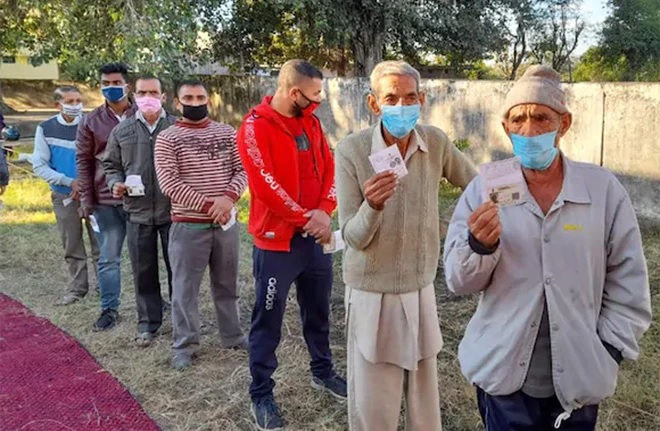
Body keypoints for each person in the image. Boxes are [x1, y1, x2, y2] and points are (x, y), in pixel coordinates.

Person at [443, 65, 652, 431]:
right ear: (506, 127)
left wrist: (609, 349)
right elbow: (458, 281)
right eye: (518, 119)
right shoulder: (488, 186)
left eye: (541, 117)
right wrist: (479, 246)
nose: (529, 130)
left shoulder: (601, 189)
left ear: (564, 123)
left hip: (580, 372)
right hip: (503, 374)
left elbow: (628, 277)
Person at [335, 60, 477, 431]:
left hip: (419, 286)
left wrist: (501, 202)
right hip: (372, 292)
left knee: (423, 403)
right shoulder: (351, 150)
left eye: (410, 97)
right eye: (391, 98)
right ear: (373, 103)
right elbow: (352, 236)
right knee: (373, 406)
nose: (402, 106)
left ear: (422, 100)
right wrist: (372, 205)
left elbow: (475, 184)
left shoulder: (435, 142)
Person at [236, 59, 345, 431]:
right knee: (267, 320)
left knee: (319, 312)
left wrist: (325, 211)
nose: (319, 101)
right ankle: (261, 393)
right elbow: (265, 186)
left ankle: (323, 372)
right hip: (276, 245)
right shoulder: (254, 127)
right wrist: (307, 219)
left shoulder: (311, 122)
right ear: (294, 91)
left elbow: (329, 167)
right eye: (314, 94)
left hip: (315, 240)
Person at [154, 79, 248, 369]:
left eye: (200, 97)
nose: (195, 103)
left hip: (225, 225)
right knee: (184, 290)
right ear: (177, 103)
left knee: (227, 284)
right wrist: (211, 206)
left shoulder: (227, 132)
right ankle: (185, 345)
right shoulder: (167, 138)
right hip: (188, 226)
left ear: (209, 100)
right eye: (189, 98)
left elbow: (242, 169)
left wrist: (228, 198)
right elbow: (169, 183)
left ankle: (232, 335)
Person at [102, 75, 175, 346]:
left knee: (178, 271)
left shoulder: (177, 127)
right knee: (143, 271)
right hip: (137, 212)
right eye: (143, 92)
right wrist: (115, 183)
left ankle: (183, 321)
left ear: (163, 96)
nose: (148, 97)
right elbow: (110, 165)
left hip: (173, 212)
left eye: (153, 92)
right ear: (134, 96)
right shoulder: (122, 130)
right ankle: (148, 323)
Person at [76, 62, 136, 331]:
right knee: (109, 258)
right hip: (106, 200)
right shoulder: (91, 121)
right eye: (106, 84)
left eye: (116, 83)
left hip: (141, 200)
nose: (111, 88)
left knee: (144, 257)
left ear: (127, 86)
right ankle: (109, 309)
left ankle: (153, 302)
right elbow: (84, 161)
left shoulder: (144, 114)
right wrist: (86, 200)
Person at [32, 86, 100, 305]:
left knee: (101, 243)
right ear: (57, 105)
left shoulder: (91, 124)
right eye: (69, 101)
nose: (75, 105)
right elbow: (39, 165)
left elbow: (101, 158)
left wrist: (86, 183)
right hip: (64, 196)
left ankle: (104, 287)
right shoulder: (46, 128)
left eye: (78, 100)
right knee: (72, 244)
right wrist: (69, 181)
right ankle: (78, 289)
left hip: (94, 195)